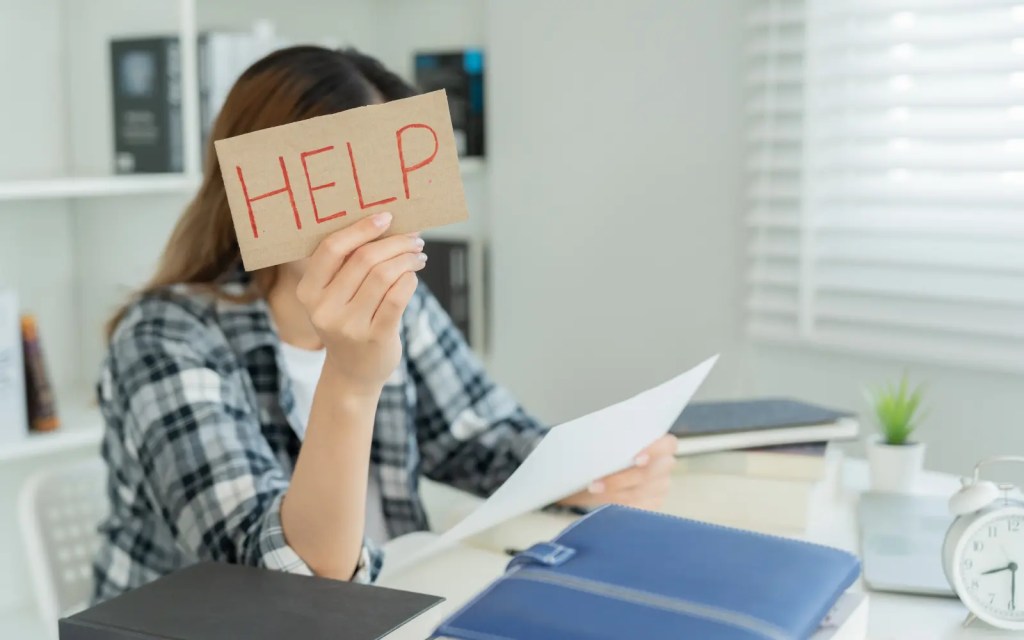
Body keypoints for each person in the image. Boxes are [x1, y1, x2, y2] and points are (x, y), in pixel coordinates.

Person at [92, 45, 677, 602]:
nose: (365, 209)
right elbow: (287, 586)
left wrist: (590, 471)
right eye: (337, 179)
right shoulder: (164, 338)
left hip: (395, 604)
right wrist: (352, 376)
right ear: (256, 192)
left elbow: (483, 438)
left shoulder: (401, 302)